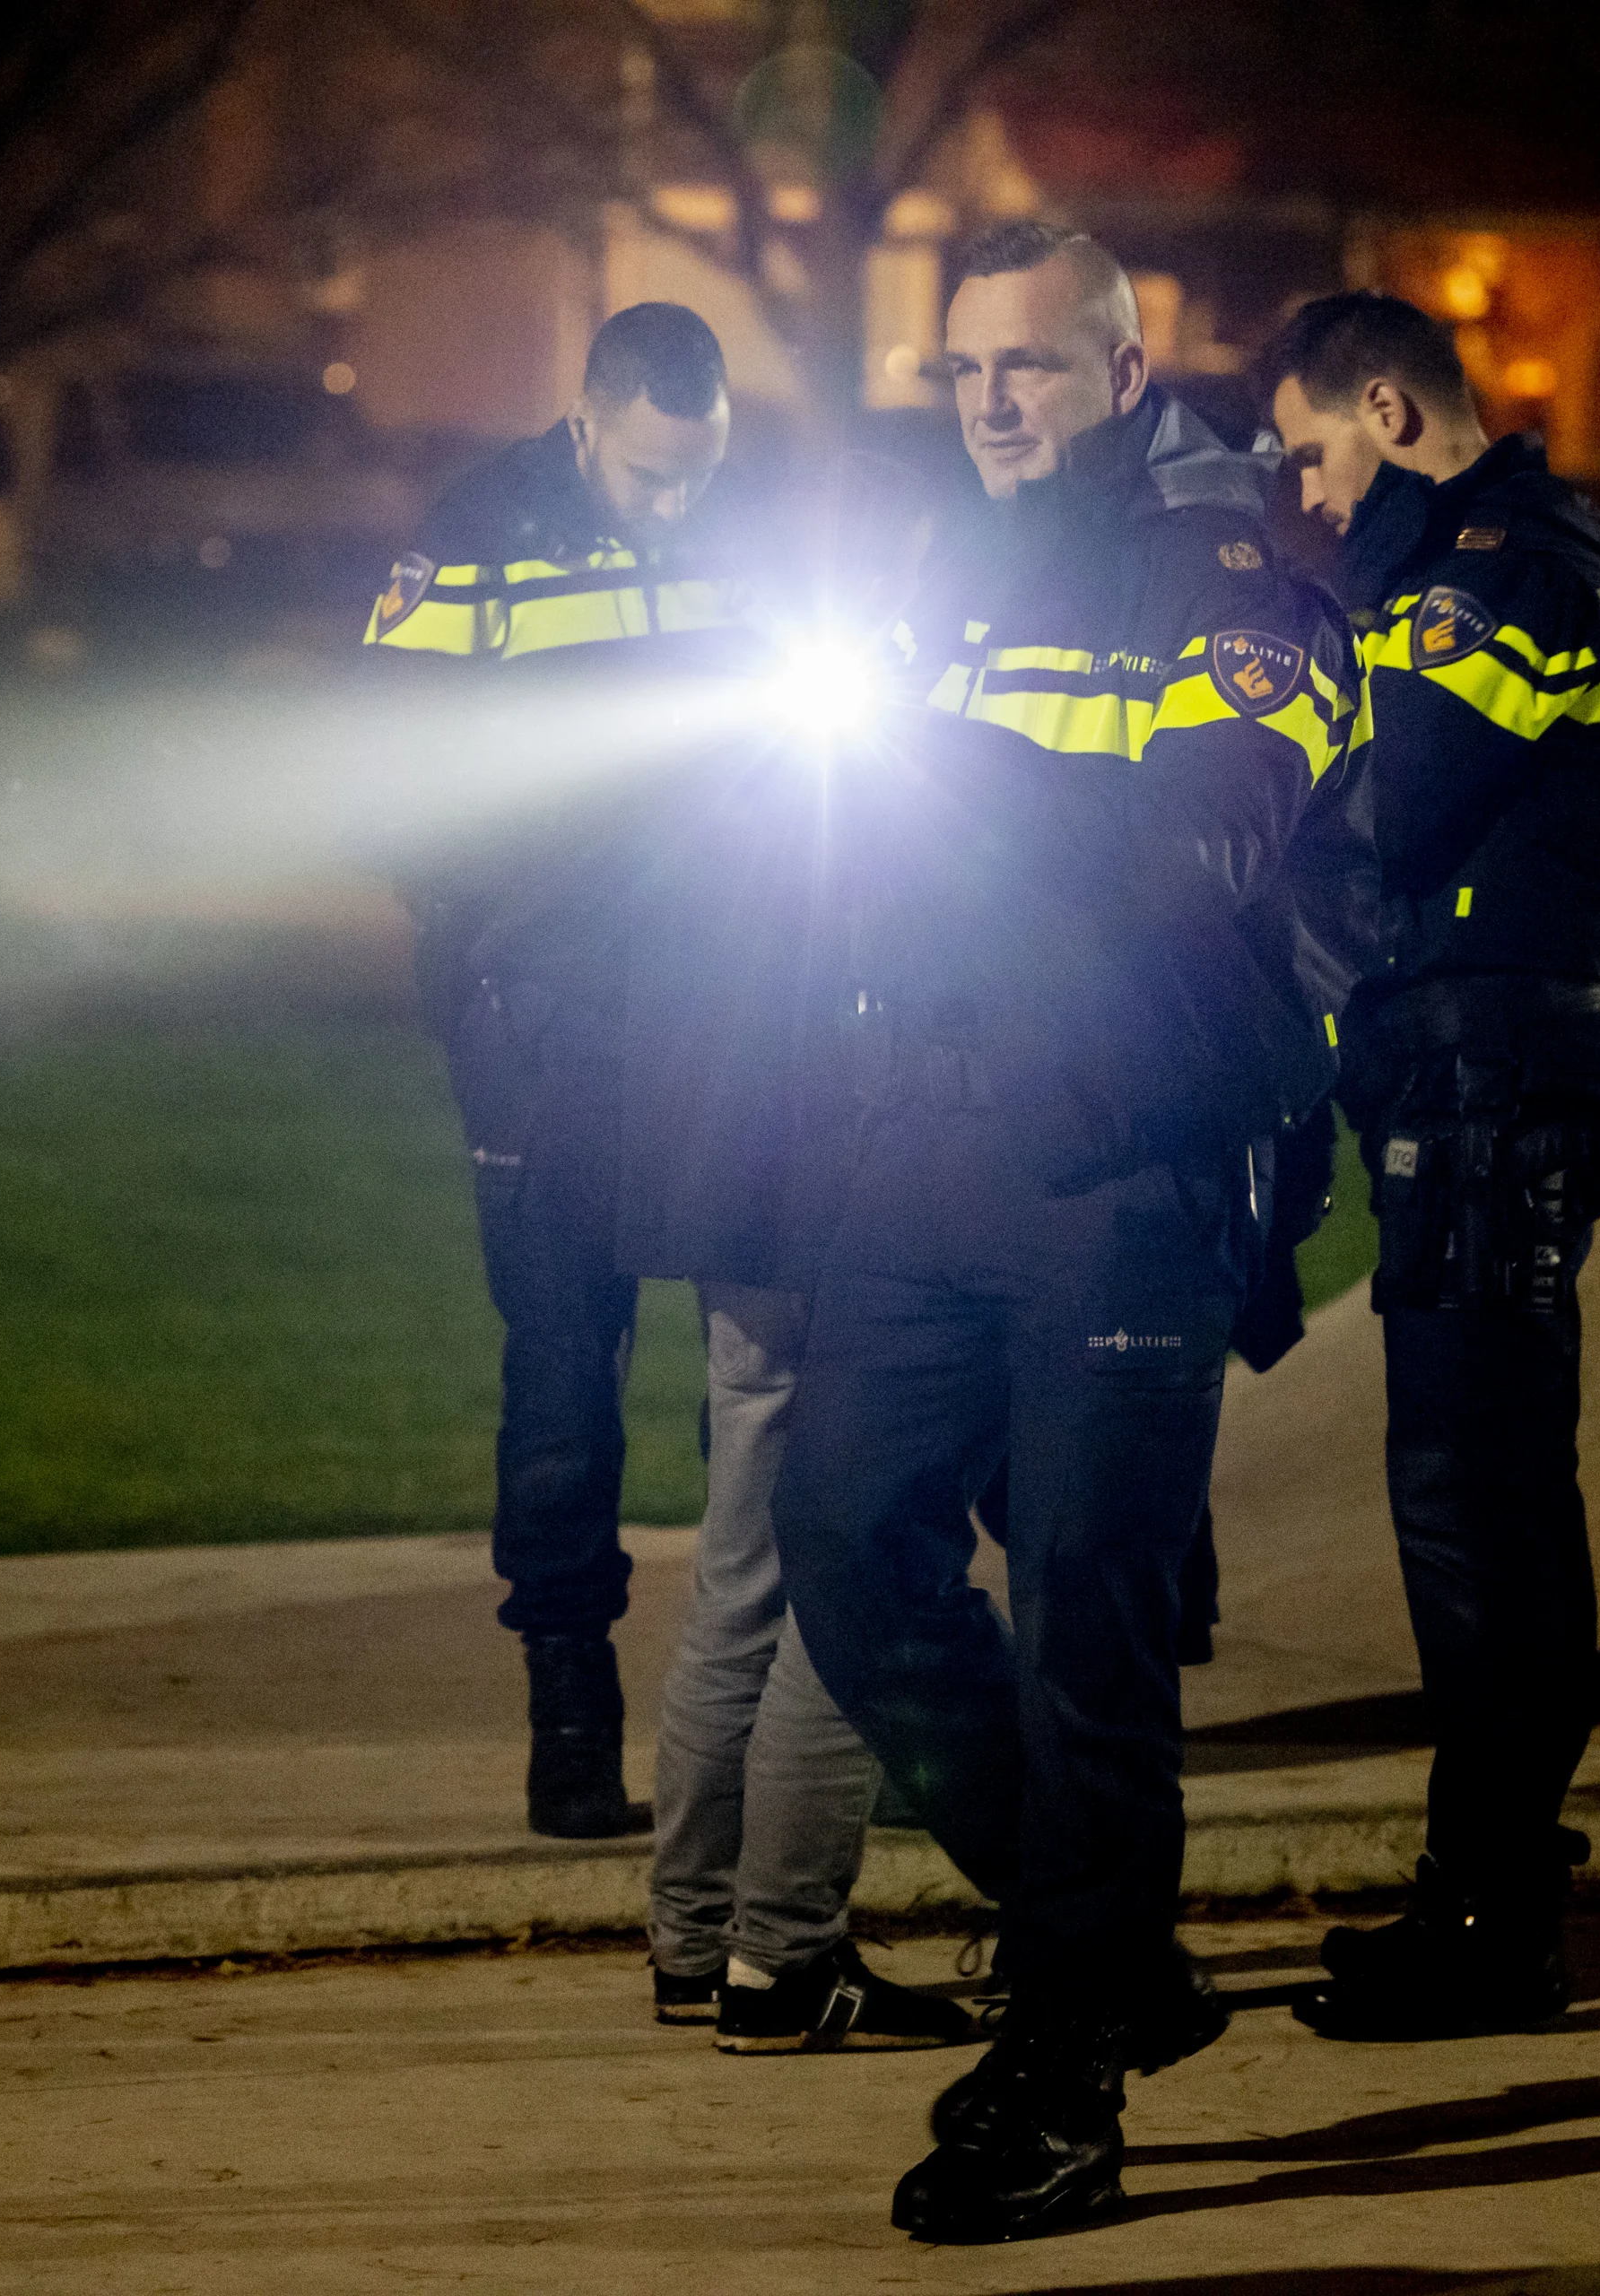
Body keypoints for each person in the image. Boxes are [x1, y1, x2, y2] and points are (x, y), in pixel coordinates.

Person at [772, 222, 1348, 2240]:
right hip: (921, 1137)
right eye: (962, 369)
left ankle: (1071, 2077)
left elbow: (1206, 844)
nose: (989, 400)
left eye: (1025, 366)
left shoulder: (1226, 570)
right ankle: (1107, 1943)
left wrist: (950, 772)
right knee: (847, 1548)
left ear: (1119, 374)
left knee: (1093, 1623)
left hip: (1122, 1164)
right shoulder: (934, 577)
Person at [1259, 291, 1600, 2041]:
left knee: (1476, 1503)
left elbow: (1373, 806)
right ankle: (1481, 1887)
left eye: (1310, 451)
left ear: (1387, 411)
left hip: (1490, 1078)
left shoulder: (1495, 570)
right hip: (1482, 1069)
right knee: (1486, 1498)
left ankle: (1495, 1919)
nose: (1305, 492)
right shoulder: (1513, 555)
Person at [363, 303, 751, 1839]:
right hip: (549, 1012)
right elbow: (398, 783)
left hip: (723, 1003)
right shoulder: (472, 539)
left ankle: (789, 1695)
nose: (679, 503)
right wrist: (510, 933)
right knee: (563, 1375)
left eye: (700, 475)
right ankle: (571, 1714)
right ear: (588, 419)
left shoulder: (757, 525)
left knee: (769, 1361)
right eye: (654, 475)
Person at [618, 458, 977, 2054]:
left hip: (730, 1197)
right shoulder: (897, 744)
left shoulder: (716, 723)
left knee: (739, 1573)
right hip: (846, 1204)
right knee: (858, 1572)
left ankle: (695, 1943)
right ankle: (784, 1954)